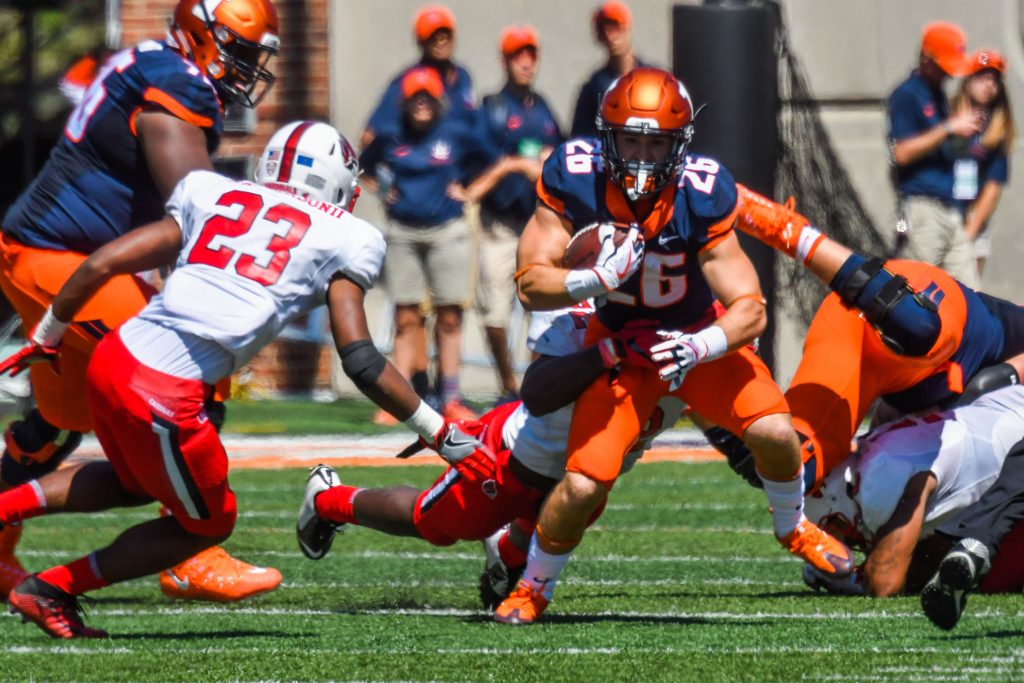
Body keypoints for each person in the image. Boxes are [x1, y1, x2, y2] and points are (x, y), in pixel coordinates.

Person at [0, 121, 488, 639]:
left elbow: (102, 262)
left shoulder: (212, 191)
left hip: (115, 356)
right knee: (209, 522)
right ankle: (52, 588)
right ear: (339, 184)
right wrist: (439, 431)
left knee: (136, 483)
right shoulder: (347, 235)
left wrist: (47, 336)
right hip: (165, 390)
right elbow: (361, 358)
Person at [495, 67, 853, 625]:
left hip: (691, 337)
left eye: (655, 143)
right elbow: (529, 285)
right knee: (585, 482)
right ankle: (533, 587)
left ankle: (793, 526)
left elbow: (750, 308)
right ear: (605, 136)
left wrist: (701, 346)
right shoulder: (574, 174)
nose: (640, 158)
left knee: (776, 431)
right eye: (630, 140)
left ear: (678, 145)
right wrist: (594, 280)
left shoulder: (701, 191)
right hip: (621, 348)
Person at [0, 0, 283, 603]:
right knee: (183, 375)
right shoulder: (177, 84)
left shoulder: (157, 64)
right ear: (201, 35)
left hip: (44, 252)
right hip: (61, 258)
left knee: (58, 424)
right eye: (237, 52)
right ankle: (193, 552)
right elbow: (198, 210)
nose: (243, 70)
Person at [296, 300, 680, 606]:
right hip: (512, 458)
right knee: (436, 523)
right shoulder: (577, 323)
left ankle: (507, 553)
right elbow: (538, 391)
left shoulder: (700, 348)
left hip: (583, 478)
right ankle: (328, 500)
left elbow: (731, 428)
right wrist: (610, 352)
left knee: (574, 510)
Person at [735, 186, 1024, 491]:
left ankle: (786, 231)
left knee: (791, 467)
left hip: (870, 328)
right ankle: (790, 232)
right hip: (902, 317)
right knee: (917, 325)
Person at [360, 67, 504, 423]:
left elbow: (494, 162)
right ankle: (400, 399)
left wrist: (470, 192)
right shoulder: (391, 133)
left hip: (447, 231)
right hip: (403, 232)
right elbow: (363, 166)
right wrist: (381, 188)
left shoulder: (457, 132)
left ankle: (450, 397)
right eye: (415, 96)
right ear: (405, 101)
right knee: (406, 316)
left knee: (450, 316)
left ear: (438, 100)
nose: (421, 103)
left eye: (427, 96)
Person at [799, 384, 1024, 601]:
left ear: (836, 498)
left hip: (1015, 424)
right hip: (1000, 411)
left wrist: (849, 581)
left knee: (995, 577)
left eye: (837, 527)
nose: (849, 539)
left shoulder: (880, 475)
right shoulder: (872, 460)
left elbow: (885, 585)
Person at [474, 25, 563, 403]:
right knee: (494, 310)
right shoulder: (492, 109)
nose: (525, 63)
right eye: (517, 56)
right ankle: (507, 384)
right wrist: (514, 165)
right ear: (505, 61)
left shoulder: (543, 109)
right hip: (499, 223)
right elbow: (474, 165)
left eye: (530, 55)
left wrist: (546, 163)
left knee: (542, 311)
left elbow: (562, 158)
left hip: (537, 223)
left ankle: (532, 385)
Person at [888, 21, 984, 288]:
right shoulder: (906, 95)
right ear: (926, 58)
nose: (949, 75)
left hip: (951, 210)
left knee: (972, 298)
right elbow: (899, 153)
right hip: (923, 211)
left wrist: (964, 137)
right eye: (945, 68)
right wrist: (949, 127)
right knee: (914, 294)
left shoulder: (937, 95)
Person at [359, 4, 475, 150]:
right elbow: (369, 137)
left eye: (446, 35)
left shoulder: (463, 76)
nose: (441, 42)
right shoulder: (408, 81)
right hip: (425, 164)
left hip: (461, 165)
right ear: (421, 41)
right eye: (433, 37)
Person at [952, 49, 1015, 274]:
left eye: (994, 80)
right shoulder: (946, 116)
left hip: (972, 218)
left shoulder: (997, 129)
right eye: (982, 77)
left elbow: (993, 186)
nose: (989, 85)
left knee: (970, 292)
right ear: (968, 80)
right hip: (939, 210)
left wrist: (970, 231)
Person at [569, 1, 648, 139]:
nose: (610, 36)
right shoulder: (594, 86)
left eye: (615, 28)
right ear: (599, 37)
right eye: (604, 30)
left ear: (627, 28)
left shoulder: (652, 78)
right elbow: (580, 138)